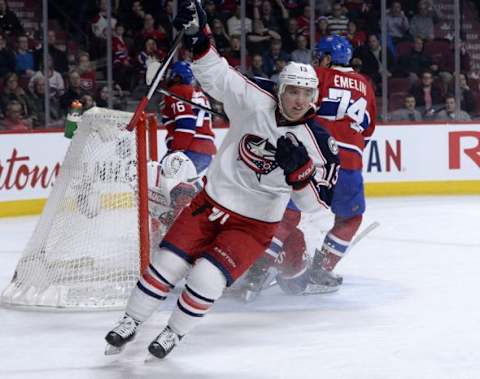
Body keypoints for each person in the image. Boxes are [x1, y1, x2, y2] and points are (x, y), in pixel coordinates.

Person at [104, 0, 340, 360]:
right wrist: (199, 36)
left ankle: (173, 332)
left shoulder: (319, 144)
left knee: (207, 279)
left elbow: (320, 212)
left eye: (305, 93)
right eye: (292, 90)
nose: (297, 99)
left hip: (255, 224)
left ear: (314, 96)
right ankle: (131, 321)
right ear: (281, 89)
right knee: (166, 264)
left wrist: (300, 175)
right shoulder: (255, 96)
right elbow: (215, 74)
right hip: (210, 202)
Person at [308, 35, 376, 293]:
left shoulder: (317, 74)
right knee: (350, 218)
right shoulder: (365, 85)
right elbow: (367, 131)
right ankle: (320, 269)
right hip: (349, 162)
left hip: (312, 155)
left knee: (289, 213)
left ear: (327, 58)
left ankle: (262, 268)